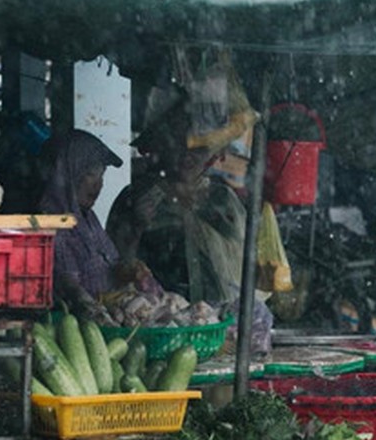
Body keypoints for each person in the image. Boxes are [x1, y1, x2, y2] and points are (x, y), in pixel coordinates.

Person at [108, 139, 246, 305]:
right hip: (155, 314)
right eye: (179, 145)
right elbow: (113, 265)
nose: (187, 156)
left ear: (214, 154)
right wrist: (137, 226)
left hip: (218, 316)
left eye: (198, 149)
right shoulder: (137, 196)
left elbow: (242, 259)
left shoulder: (222, 199)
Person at [39, 129, 124, 318]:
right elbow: (71, 290)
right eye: (91, 174)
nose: (99, 184)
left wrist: (132, 270)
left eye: (102, 175)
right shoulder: (53, 226)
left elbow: (112, 266)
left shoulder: (88, 217)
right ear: (69, 173)